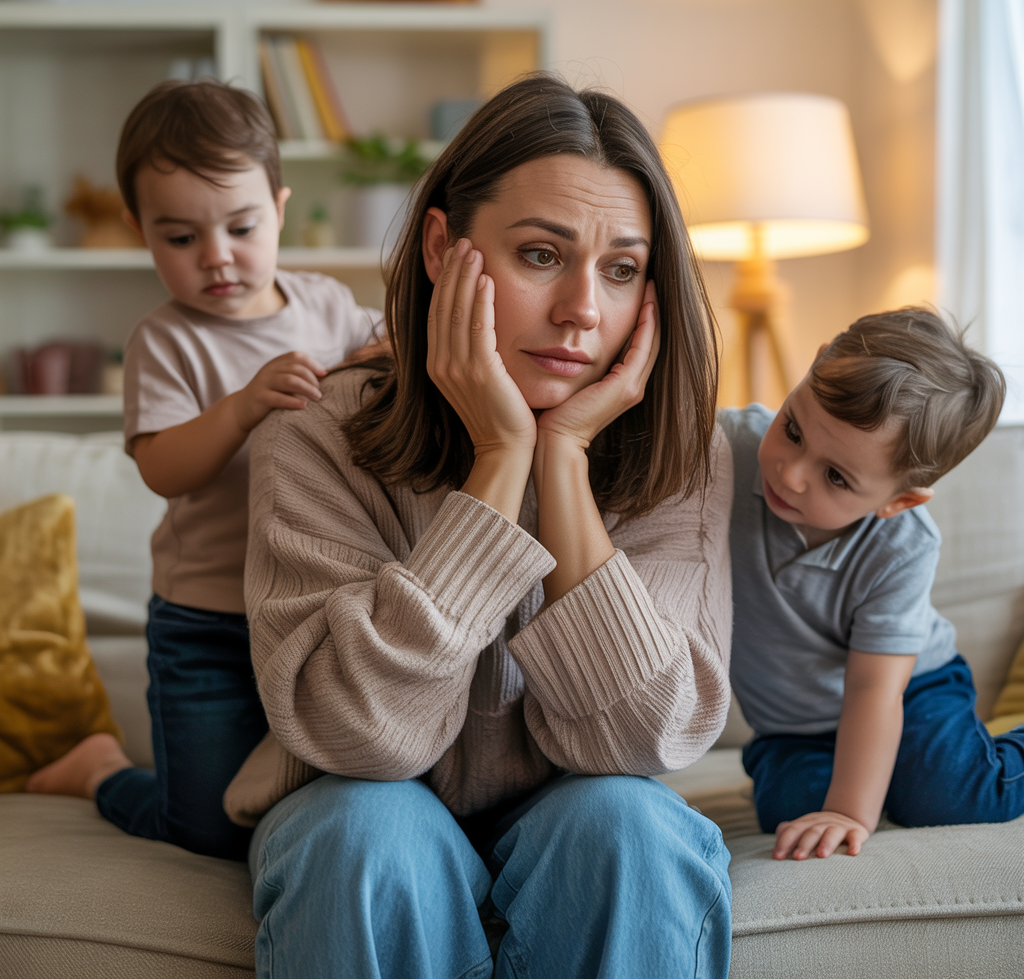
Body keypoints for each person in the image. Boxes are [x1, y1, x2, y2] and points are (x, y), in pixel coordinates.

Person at [223, 73, 735, 979]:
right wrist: (501, 459)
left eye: (621, 270)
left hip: (574, 812)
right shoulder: (311, 438)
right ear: (440, 245)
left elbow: (641, 742)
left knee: (631, 827)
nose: (583, 309)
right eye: (542, 254)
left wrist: (564, 463)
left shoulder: (682, 457)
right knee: (362, 833)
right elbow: (358, 734)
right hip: (364, 800)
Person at [25, 79, 381, 861]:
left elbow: (387, 350)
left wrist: (387, 353)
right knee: (206, 832)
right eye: (180, 239)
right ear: (137, 229)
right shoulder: (165, 341)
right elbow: (162, 467)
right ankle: (101, 771)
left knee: (329, 786)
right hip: (206, 623)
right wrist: (242, 406)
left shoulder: (326, 305)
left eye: (242, 227)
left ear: (281, 209)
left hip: (317, 610)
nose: (216, 258)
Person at [719, 307, 1024, 862]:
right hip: (794, 727)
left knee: (950, 796)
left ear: (897, 501)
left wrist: (850, 811)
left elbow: (872, 692)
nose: (791, 472)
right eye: (792, 429)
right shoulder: (728, 449)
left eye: (836, 476)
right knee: (794, 812)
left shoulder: (903, 545)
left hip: (910, 690)